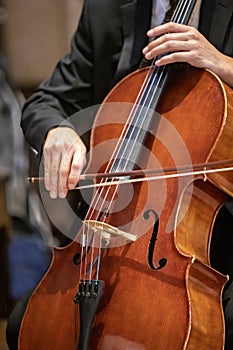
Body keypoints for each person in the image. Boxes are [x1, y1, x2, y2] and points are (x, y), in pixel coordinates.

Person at [7, 0, 233, 349]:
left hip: (215, 242)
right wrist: (57, 132)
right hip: (110, 234)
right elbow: (47, 101)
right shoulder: (106, 6)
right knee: (30, 326)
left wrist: (225, 65)